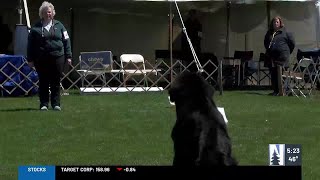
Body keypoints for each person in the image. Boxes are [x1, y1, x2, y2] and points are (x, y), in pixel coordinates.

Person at [27, 1, 72, 111]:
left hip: (58, 57)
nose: (48, 14)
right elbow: (30, 45)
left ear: (53, 13)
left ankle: (56, 104)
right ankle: (44, 104)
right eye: (46, 12)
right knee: (43, 81)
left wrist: (69, 56)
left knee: (56, 81)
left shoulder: (59, 25)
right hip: (41, 58)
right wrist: (30, 59)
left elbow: (66, 41)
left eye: (50, 12)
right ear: (42, 13)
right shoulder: (36, 28)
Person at [264, 16, 295, 96]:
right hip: (272, 57)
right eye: (274, 22)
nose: (276, 23)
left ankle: (286, 91)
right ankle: (276, 91)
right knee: (274, 73)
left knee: (284, 73)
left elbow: (292, 44)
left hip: (282, 57)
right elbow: (266, 43)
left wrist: (287, 52)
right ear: (272, 24)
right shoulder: (269, 33)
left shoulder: (285, 32)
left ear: (280, 23)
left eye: (277, 22)